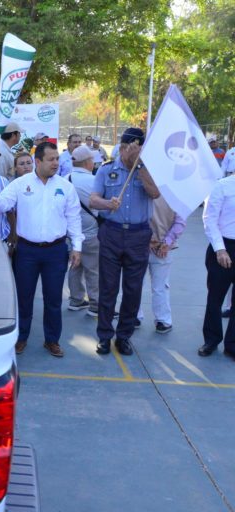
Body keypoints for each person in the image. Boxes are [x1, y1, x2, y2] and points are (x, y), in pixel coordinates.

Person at [0, 141, 83, 358]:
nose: (56, 163)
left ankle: (52, 340)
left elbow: (73, 218)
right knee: (24, 297)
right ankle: (20, 338)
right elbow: (1, 205)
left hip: (56, 251)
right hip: (27, 252)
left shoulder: (66, 187)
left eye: (57, 159)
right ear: (37, 161)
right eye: (51, 159)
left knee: (53, 299)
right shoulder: (21, 184)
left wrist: (76, 247)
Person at [89, 127, 160, 356]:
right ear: (121, 147)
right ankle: (104, 336)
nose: (134, 152)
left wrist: (139, 167)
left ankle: (124, 336)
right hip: (111, 232)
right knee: (108, 288)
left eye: (139, 148)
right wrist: (107, 204)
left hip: (138, 235)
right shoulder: (106, 170)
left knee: (133, 289)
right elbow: (93, 200)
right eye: (131, 148)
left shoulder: (147, 170)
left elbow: (155, 193)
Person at [200, 174, 235, 358]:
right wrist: (220, 250)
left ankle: (232, 345)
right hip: (223, 246)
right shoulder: (222, 186)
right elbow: (209, 219)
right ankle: (211, 340)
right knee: (215, 298)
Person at [66, 145, 100, 317]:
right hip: (91, 232)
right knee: (93, 269)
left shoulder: (65, 179)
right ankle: (95, 304)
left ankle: (76, 299)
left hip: (71, 234)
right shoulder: (94, 181)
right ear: (87, 162)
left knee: (74, 266)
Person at [147, 196, 186, 334]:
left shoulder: (140, 187)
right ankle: (163, 320)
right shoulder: (175, 194)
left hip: (139, 244)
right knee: (161, 286)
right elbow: (180, 222)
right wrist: (166, 242)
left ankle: (134, 317)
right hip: (163, 247)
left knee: (134, 284)